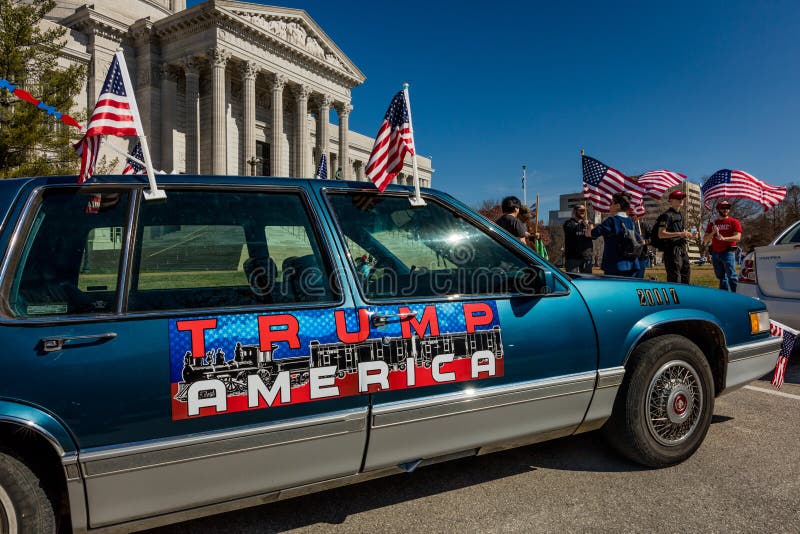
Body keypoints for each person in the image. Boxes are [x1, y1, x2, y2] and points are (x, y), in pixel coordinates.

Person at [586, 192, 641, 277]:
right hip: (633, 264)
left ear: (618, 205)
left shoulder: (611, 221)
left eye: (611, 203)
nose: (609, 206)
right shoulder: (632, 222)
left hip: (615, 266)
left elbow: (591, 234)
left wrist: (589, 225)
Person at [656, 191, 695, 284]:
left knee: (686, 275)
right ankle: (674, 298)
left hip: (682, 248)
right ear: (671, 200)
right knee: (675, 277)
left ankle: (684, 297)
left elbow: (682, 232)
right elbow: (661, 234)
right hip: (672, 249)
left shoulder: (680, 215)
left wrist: (689, 235)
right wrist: (680, 233)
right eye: (678, 198)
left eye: (682, 198)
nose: (681, 200)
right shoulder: (666, 215)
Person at [703, 200, 742, 292]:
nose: (726, 210)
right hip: (715, 253)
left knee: (731, 276)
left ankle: (736, 296)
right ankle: (724, 296)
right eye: (723, 208)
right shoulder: (713, 224)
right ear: (718, 209)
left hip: (728, 252)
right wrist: (713, 232)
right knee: (721, 277)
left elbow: (738, 237)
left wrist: (725, 239)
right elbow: (705, 239)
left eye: (727, 208)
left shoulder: (734, 222)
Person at [562, 205, 594, 273]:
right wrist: (582, 224)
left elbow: (594, 236)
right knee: (573, 280)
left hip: (586, 257)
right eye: (581, 210)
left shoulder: (588, 223)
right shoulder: (568, 223)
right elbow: (572, 230)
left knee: (587, 281)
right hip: (573, 258)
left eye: (584, 210)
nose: (583, 212)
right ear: (575, 211)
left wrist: (590, 227)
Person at [629, 211, 650, 278]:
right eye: (630, 215)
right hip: (629, 257)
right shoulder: (626, 226)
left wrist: (645, 241)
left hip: (641, 256)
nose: (633, 217)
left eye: (634, 215)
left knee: (639, 277)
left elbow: (653, 238)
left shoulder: (644, 226)